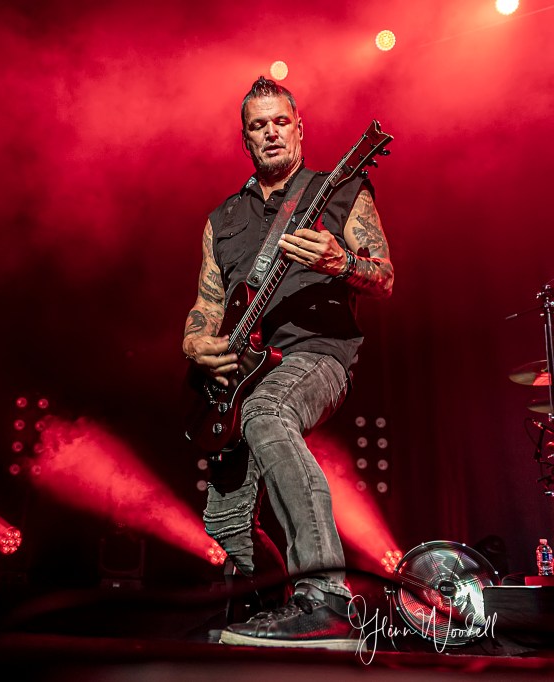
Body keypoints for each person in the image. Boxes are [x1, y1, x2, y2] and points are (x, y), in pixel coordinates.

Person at [182, 76, 394, 649]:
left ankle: (325, 598)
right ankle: (278, 612)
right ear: (245, 139)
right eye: (259, 125)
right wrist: (195, 343)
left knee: (268, 413)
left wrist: (341, 262)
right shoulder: (223, 219)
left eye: (281, 121)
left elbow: (385, 278)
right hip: (240, 378)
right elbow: (206, 307)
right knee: (225, 521)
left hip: (317, 354)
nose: (271, 132)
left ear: (300, 129)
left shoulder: (340, 189)